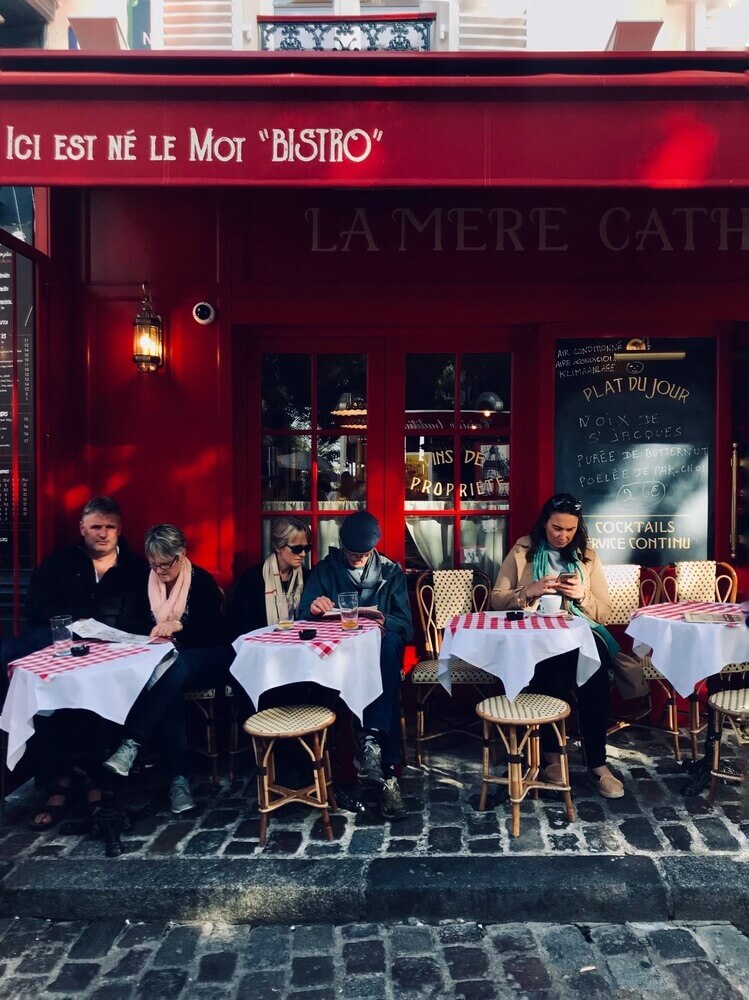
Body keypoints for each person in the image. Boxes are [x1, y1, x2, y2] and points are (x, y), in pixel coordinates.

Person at [9, 496, 151, 831]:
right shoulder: (60, 563)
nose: (103, 534)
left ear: (120, 529)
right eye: (96, 527)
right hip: (64, 654)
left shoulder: (135, 568)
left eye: (110, 527)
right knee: (51, 697)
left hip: (114, 658)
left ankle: (94, 781)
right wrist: (74, 622)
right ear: (82, 529)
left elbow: (146, 616)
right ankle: (59, 781)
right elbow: (35, 610)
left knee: (100, 700)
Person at [490, 492, 625, 799]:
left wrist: (582, 596)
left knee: (595, 675)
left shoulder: (587, 556)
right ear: (544, 524)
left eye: (570, 530)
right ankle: (552, 759)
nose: (563, 536)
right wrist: (529, 591)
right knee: (551, 674)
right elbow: (497, 599)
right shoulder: (524, 549)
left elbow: (605, 612)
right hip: (536, 635)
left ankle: (598, 765)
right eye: (556, 529)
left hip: (582, 632)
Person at [103, 524, 233, 814]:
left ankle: (133, 741)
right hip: (165, 664)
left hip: (207, 657)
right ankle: (179, 781)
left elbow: (214, 631)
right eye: (154, 564)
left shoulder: (201, 582)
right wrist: (153, 627)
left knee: (177, 664)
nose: (159, 570)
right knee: (169, 679)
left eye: (165, 564)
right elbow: (124, 619)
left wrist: (180, 627)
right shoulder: (144, 581)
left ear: (181, 555)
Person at [299, 510, 413, 821]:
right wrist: (313, 607)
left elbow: (406, 626)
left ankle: (377, 755)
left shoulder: (391, 572)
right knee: (384, 677)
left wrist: (383, 619)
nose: (357, 559)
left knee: (387, 646)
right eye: (351, 554)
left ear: (374, 548)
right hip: (336, 658)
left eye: (363, 554)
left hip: (378, 656)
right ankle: (374, 759)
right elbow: (302, 616)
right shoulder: (325, 570)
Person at [227, 517, 310, 638]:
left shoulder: (308, 577)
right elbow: (239, 626)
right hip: (261, 646)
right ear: (278, 547)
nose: (303, 554)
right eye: (296, 548)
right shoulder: (252, 579)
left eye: (306, 548)